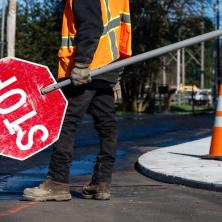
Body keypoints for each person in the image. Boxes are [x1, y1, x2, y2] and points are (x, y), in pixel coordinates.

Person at [23, 0, 131, 201]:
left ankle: (57, 182)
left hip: (87, 69)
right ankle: (101, 183)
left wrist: (81, 63)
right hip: (108, 67)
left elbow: (91, 26)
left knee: (65, 123)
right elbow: (119, 33)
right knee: (107, 126)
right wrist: (117, 72)